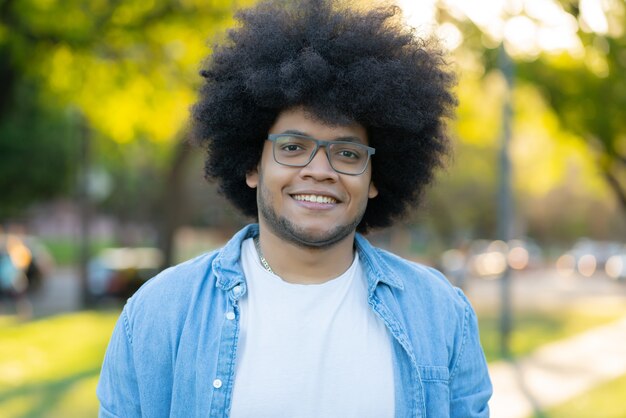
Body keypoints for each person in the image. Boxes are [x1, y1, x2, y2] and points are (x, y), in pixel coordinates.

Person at [97, 0, 492, 416]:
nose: (319, 170)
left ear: (375, 178)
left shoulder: (440, 314)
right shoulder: (160, 313)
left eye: (347, 153)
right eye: (292, 147)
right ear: (252, 164)